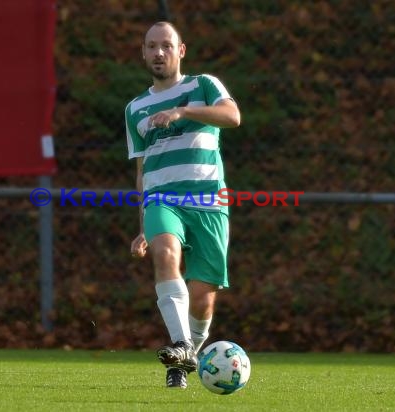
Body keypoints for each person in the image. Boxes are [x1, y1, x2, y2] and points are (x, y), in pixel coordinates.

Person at [124, 21, 241, 389]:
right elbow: (142, 171)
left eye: (166, 45)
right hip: (163, 199)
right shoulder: (135, 108)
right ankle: (180, 344)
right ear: (143, 53)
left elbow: (232, 117)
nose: (159, 52)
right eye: (151, 46)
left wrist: (184, 112)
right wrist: (144, 225)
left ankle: (184, 357)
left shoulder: (203, 85)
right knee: (164, 252)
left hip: (208, 201)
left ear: (181, 50)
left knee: (203, 300)